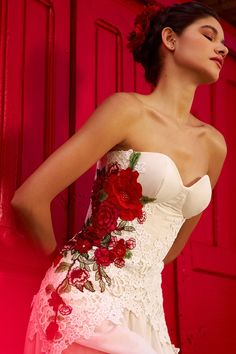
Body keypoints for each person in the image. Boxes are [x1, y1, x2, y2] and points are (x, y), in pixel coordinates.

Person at [11, 1, 228, 353]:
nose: (223, 47)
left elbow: (171, 247)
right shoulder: (127, 111)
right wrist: (67, 272)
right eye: (208, 35)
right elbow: (28, 199)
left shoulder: (214, 146)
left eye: (223, 40)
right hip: (83, 300)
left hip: (147, 313)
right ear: (170, 39)